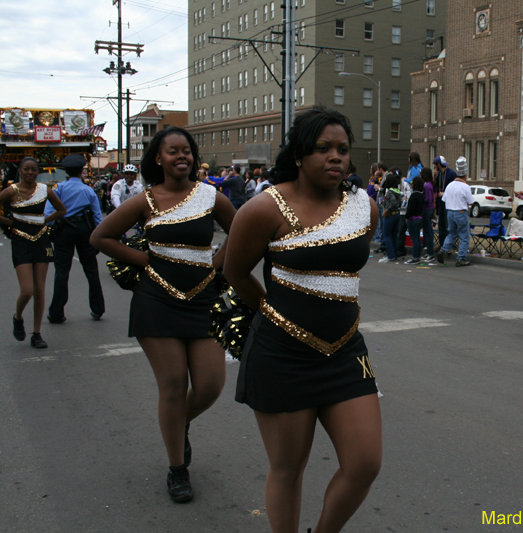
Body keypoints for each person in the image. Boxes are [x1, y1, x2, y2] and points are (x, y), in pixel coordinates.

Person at [223, 105, 381, 533]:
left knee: (365, 463)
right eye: (323, 148)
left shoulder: (363, 206)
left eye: (343, 149)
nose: (336, 157)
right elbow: (235, 272)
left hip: (345, 351)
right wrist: (270, 313)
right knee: (288, 469)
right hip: (281, 356)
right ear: (298, 154)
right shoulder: (262, 209)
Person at [90, 126, 237, 502]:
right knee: (172, 386)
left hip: (203, 300)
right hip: (156, 302)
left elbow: (241, 233)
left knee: (209, 386)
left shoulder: (211, 196)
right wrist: (147, 261)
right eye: (172, 151)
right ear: (158, 158)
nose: (181, 156)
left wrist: (216, 265)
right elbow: (100, 238)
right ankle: (177, 470)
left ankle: (179, 423)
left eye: (186, 151)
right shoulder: (146, 200)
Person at [0, 157, 66, 348]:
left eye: (34, 170)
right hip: (20, 241)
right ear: (20, 170)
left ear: (38, 172)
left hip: (41, 240)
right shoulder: (11, 190)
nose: (30, 173)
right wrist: (11, 223)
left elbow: (62, 210)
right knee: (27, 290)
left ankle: (36, 333)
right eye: (26, 169)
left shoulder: (44, 190)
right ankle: (17, 316)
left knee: (39, 289)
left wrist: (44, 222)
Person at [44, 154, 105, 323]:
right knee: (91, 270)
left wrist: (50, 230)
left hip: (63, 231)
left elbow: (49, 213)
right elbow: (97, 217)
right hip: (85, 230)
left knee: (62, 272)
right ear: (81, 171)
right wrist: (99, 237)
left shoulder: (58, 188)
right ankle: (98, 309)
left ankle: (56, 313)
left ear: (66, 172)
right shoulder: (88, 190)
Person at [436, 156, 474, 267]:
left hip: (450, 212)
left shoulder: (450, 185)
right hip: (461, 212)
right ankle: (461, 258)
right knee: (464, 236)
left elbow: (444, 199)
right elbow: (471, 202)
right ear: (465, 175)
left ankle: (443, 250)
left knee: (451, 234)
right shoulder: (465, 187)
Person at [378, 172, 402, 263]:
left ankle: (390, 255)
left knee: (387, 235)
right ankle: (394, 254)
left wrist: (386, 211)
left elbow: (393, 202)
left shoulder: (390, 192)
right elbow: (398, 203)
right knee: (393, 235)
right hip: (397, 214)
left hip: (390, 215)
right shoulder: (398, 191)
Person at [433, 156, 456, 247]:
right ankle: (442, 244)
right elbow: (435, 185)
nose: (434, 167)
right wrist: (434, 176)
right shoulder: (439, 174)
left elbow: (454, 188)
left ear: (439, 164)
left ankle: (450, 245)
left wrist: (445, 193)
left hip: (448, 204)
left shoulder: (451, 174)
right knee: (441, 225)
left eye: (435, 165)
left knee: (448, 226)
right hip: (441, 203)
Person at [404, 176, 425, 264]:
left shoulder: (414, 195)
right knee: (417, 239)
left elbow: (411, 208)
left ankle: (414, 257)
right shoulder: (421, 195)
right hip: (419, 218)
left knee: (414, 239)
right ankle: (418, 256)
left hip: (412, 219)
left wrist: (406, 216)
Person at [421, 167, 436, 261]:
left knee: (428, 232)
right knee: (427, 232)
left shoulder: (427, 186)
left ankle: (430, 252)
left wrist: (421, 199)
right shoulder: (429, 185)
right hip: (429, 209)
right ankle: (429, 252)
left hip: (427, 209)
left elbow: (428, 199)